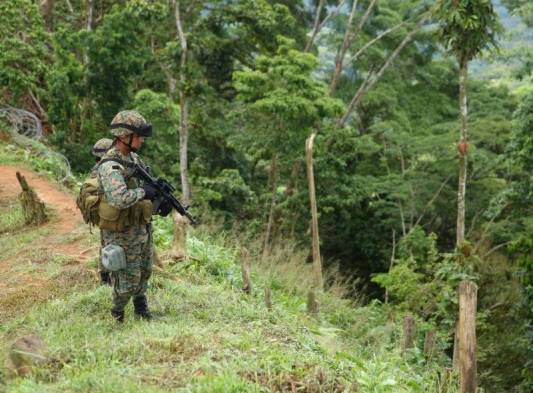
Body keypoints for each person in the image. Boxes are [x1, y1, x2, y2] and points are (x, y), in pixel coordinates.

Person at [97, 110, 156, 323]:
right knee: (127, 278)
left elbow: (143, 185)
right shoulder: (110, 165)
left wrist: (157, 193)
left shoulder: (134, 159)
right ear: (124, 136)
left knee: (145, 270)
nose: (141, 140)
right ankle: (117, 312)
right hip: (122, 232)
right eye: (138, 135)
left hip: (140, 227)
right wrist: (144, 192)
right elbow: (119, 198)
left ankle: (141, 308)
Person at [91, 138, 114, 286]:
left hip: (102, 213)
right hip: (108, 212)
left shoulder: (95, 169)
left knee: (105, 243)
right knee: (109, 244)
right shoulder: (104, 169)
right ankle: (106, 277)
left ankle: (105, 276)